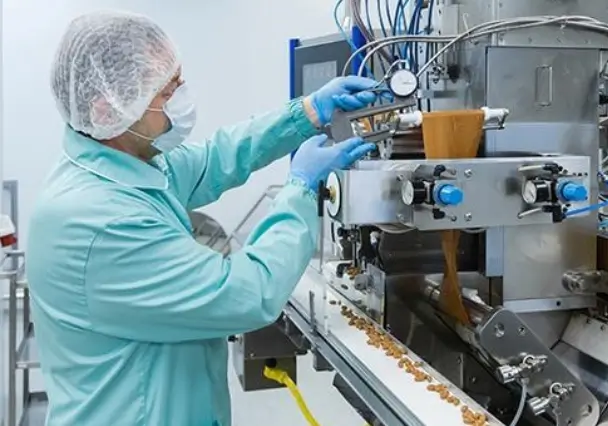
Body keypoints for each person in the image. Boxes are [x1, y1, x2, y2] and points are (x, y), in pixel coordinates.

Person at [25, 10, 380, 426]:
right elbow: (249, 293)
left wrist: (307, 113)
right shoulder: (99, 222)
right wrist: (301, 188)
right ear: (108, 110)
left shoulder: (122, 164)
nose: (181, 101)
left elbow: (215, 158)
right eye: (166, 92)